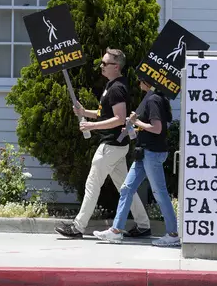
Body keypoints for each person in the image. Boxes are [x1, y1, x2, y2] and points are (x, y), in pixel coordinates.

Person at [55, 48, 151, 238]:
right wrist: (85, 113)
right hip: (116, 146)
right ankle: (143, 224)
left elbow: (119, 118)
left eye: (105, 63)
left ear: (116, 67)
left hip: (110, 146)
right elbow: (104, 113)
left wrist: (92, 126)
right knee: (125, 187)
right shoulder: (112, 85)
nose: (101, 66)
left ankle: (78, 227)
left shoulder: (116, 89)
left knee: (92, 184)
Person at [93, 78, 180, 247]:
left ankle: (173, 234)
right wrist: (132, 128)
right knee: (126, 188)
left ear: (147, 82)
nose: (138, 82)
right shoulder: (152, 98)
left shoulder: (154, 99)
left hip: (152, 153)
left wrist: (137, 121)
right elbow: (142, 132)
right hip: (143, 152)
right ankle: (116, 231)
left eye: (140, 79)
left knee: (159, 192)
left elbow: (157, 128)